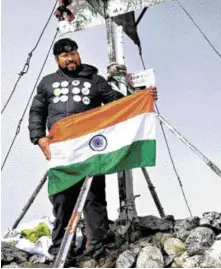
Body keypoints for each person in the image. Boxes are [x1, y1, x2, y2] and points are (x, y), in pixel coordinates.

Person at [28, 38, 158, 265]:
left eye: (73, 53)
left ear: (78, 54)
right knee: (62, 198)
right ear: (57, 59)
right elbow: (37, 112)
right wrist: (39, 138)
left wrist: (142, 97)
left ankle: (98, 246)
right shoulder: (47, 83)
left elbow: (116, 103)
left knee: (94, 196)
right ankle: (62, 250)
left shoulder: (95, 80)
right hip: (62, 151)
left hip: (90, 147)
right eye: (64, 56)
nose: (70, 58)